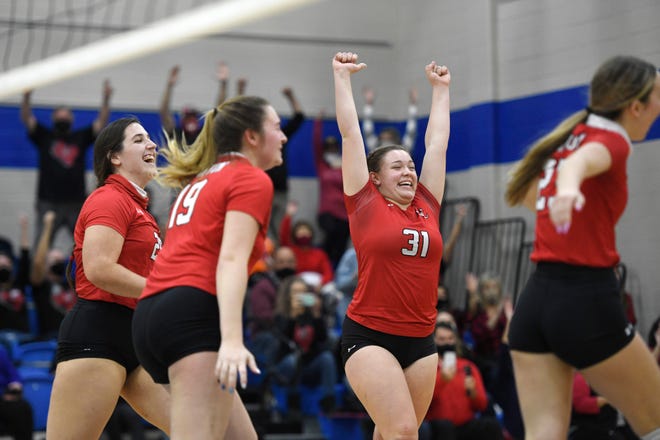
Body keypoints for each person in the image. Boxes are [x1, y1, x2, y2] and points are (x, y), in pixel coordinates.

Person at [504, 55, 660, 440]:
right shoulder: (609, 142)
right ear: (635, 106)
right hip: (585, 302)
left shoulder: (573, 136)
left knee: (544, 433)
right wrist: (569, 189)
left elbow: (527, 190)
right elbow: (580, 164)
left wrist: (563, 201)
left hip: (535, 305)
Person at [132, 95, 287, 439]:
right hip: (193, 315)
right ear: (251, 136)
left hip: (153, 315)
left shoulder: (201, 179)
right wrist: (232, 339)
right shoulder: (250, 179)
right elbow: (230, 259)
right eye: (276, 127)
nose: (284, 136)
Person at [333, 52, 451, 439]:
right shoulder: (364, 201)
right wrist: (341, 77)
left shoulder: (427, 205)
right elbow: (351, 133)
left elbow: (436, 146)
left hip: (421, 338)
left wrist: (441, 90)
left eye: (410, 166)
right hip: (369, 334)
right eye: (397, 167)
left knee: (392, 434)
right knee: (402, 431)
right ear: (376, 178)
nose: (409, 172)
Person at [46, 117, 170, 439]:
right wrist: (165, 289)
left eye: (150, 139)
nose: (152, 145)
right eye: (139, 140)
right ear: (114, 157)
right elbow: (99, 268)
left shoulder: (140, 209)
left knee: (199, 428)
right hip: (98, 333)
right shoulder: (109, 198)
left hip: (138, 336)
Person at [20, 80, 113, 246]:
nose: (63, 118)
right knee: (41, 246)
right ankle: (37, 272)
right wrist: (26, 97)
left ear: (71, 118)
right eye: (59, 116)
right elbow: (27, 118)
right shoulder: (44, 136)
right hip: (48, 202)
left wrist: (106, 99)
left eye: (66, 115)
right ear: (53, 118)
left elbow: (101, 124)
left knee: (86, 246)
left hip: (75, 202)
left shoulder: (80, 137)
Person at [419, 322, 503, 440]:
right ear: (434, 341)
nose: (447, 343)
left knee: (491, 426)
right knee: (444, 427)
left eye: (450, 338)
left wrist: (473, 392)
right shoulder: (427, 368)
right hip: (438, 426)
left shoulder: (467, 366)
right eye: (442, 339)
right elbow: (422, 402)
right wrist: (442, 380)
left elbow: (482, 405)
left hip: (465, 425)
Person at [272, 275, 338, 415]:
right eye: (295, 292)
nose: (299, 296)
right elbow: (281, 344)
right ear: (288, 296)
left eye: (303, 292)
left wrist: (316, 315)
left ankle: (328, 401)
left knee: (327, 358)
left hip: (308, 365)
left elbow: (323, 341)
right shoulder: (281, 316)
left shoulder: (311, 315)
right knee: (292, 360)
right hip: (287, 366)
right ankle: (293, 401)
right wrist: (292, 317)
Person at [159, 62, 244, 146]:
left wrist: (223, 84)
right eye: (188, 117)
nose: (191, 121)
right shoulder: (176, 135)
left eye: (193, 117)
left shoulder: (203, 135)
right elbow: (164, 112)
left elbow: (218, 112)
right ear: (182, 120)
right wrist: (169, 86)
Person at [266, 87, 306, 244]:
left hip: (281, 190)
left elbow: (299, 117)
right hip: (264, 188)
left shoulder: (282, 136)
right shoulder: (257, 138)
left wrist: (291, 96)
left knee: (279, 228)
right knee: (263, 226)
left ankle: (275, 256)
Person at [30, 211, 76, 339]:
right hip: (51, 337)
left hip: (75, 336)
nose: (57, 265)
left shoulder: (72, 283)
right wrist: (48, 226)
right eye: (53, 262)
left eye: (60, 262)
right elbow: (38, 263)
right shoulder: (42, 286)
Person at [313, 111, 350, 267]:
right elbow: (315, 143)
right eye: (327, 148)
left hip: (344, 213)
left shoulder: (345, 166)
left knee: (341, 247)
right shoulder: (322, 166)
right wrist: (318, 123)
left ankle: (335, 276)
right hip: (327, 212)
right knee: (329, 239)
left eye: (333, 147)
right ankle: (323, 268)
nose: (330, 151)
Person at [279, 201, 334, 285]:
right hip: (296, 285)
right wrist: (288, 216)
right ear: (294, 235)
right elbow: (283, 237)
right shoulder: (292, 252)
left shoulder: (320, 254)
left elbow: (328, 274)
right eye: (300, 232)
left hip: (317, 286)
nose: (303, 234)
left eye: (306, 231)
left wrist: (322, 284)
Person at [362, 85, 418, 152]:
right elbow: (367, 131)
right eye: (383, 138)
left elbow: (411, 132)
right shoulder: (375, 149)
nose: (386, 142)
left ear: (395, 139)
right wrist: (368, 104)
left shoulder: (404, 150)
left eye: (389, 138)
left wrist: (413, 104)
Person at [0, 216, 31, 333]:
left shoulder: (19, 283)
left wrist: (24, 229)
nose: (3, 269)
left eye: (6, 265)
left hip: (21, 335)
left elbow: (25, 256)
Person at [0, 345, 33, 440]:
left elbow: (13, 373)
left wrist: (15, 384)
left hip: (3, 397)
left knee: (24, 407)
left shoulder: (0, 351)